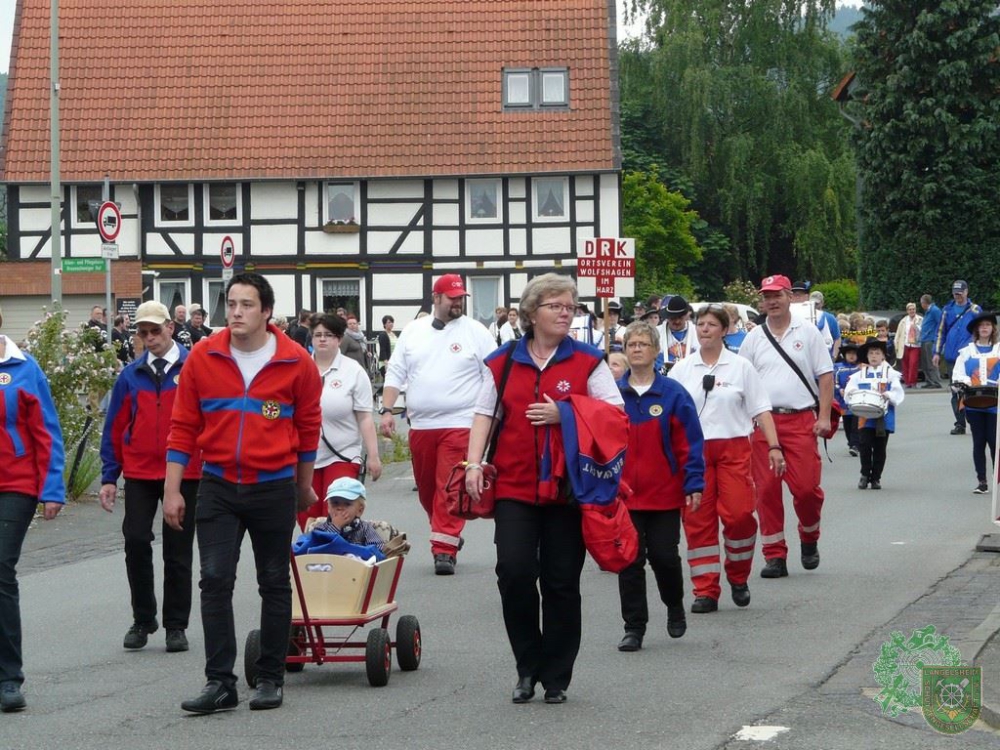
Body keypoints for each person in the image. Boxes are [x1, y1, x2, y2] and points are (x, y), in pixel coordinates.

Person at [164, 272, 322, 714]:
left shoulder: (296, 362)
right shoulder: (202, 356)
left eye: (246, 304)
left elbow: (309, 430)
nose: (235, 312)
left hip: (273, 486)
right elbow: (182, 428)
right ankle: (220, 683)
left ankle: (270, 678)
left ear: (266, 312)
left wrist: (303, 486)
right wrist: (172, 489)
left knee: (273, 582)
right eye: (231, 303)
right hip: (217, 484)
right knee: (214, 580)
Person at [464, 273, 623, 704]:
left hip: (569, 491)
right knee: (513, 574)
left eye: (570, 306)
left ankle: (556, 676)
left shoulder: (589, 361)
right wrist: (473, 462)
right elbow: (485, 414)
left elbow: (616, 415)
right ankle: (526, 667)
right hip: (515, 486)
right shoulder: (503, 361)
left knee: (561, 582)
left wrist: (566, 414)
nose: (565, 312)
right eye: (555, 305)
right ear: (532, 313)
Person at [99, 301, 201, 653]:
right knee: (136, 540)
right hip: (141, 470)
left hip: (186, 470)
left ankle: (176, 625)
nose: (149, 338)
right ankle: (144, 618)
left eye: (155, 330)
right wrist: (109, 477)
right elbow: (114, 428)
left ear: (170, 328)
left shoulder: (192, 368)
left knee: (177, 550)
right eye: (142, 332)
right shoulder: (131, 375)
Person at [380, 274, 496, 575]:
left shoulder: (476, 332)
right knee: (428, 489)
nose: (457, 302)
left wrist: (487, 414)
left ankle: (443, 550)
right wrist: (387, 410)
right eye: (452, 298)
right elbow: (396, 372)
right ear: (436, 298)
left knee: (449, 485)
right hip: (421, 425)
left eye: (461, 298)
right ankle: (445, 533)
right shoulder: (414, 332)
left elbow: (491, 376)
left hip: (461, 422)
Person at [669, 305, 780, 614]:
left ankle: (738, 575)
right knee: (697, 521)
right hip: (694, 454)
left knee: (740, 515)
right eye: (700, 324)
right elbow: (671, 418)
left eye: (710, 324)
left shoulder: (741, 367)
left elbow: (761, 409)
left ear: (724, 329)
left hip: (734, 450)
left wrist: (774, 446)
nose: (704, 329)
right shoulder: (681, 369)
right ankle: (705, 590)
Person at [738, 275, 833, 579]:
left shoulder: (808, 332)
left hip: (801, 418)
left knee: (806, 489)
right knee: (765, 490)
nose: (771, 301)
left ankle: (809, 537)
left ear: (790, 297)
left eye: (777, 295)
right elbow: (743, 381)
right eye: (766, 296)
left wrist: (824, 416)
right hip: (764, 423)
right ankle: (774, 554)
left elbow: (826, 375)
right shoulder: (753, 338)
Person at [617, 320, 704, 648]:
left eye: (642, 344)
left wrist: (694, 482)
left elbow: (690, 442)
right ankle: (634, 626)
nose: (636, 349)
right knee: (630, 560)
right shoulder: (613, 394)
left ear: (655, 351)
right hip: (624, 496)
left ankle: (674, 606)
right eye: (630, 344)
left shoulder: (673, 394)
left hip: (665, 493)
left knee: (665, 557)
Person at [0, 305, 65, 713]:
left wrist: (53, 488)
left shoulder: (23, 368)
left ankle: (9, 677)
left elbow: (47, 429)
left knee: (0, 568)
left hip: (16, 483)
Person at [297, 313, 381, 529]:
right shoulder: (299, 368)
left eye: (329, 335)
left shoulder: (353, 372)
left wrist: (373, 456)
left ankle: (340, 560)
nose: (322, 339)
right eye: (317, 335)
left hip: (343, 454)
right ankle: (310, 561)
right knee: (307, 518)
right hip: (306, 456)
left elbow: (364, 418)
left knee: (337, 514)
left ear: (339, 339)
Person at [845, 338, 905, 490]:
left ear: (883, 356)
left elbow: (898, 392)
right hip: (864, 416)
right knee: (864, 446)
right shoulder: (860, 374)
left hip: (883, 417)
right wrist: (852, 392)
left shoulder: (890, 373)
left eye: (877, 353)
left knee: (880, 448)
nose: (873, 356)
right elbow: (849, 390)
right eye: (871, 353)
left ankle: (876, 477)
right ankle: (865, 474)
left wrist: (889, 395)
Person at [952, 311, 1000, 494]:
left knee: (995, 443)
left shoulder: (999, 350)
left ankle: (997, 480)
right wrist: (967, 384)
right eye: (981, 325)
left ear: (992, 328)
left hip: (995, 404)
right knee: (979, 442)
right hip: (974, 403)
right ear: (976, 330)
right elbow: (958, 374)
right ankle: (982, 481)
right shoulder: (966, 352)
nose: (985, 328)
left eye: (988, 325)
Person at [292, 477, 387, 560]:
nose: (340, 508)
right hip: (325, 573)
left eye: (347, 504)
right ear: (328, 508)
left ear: (359, 510)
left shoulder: (365, 528)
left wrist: (357, 552)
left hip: (356, 574)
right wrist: (335, 527)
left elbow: (379, 550)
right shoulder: (321, 528)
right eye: (335, 503)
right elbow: (316, 549)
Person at [935, 280, 982, 434]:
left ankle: (973, 420)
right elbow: (941, 332)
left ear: (967, 292)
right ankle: (960, 424)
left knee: (971, 389)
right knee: (956, 391)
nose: (958, 296)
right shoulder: (947, 310)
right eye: (955, 293)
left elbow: (983, 330)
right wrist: (936, 352)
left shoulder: (975, 310)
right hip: (951, 357)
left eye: (960, 293)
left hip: (970, 357)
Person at [834, 341, 862, 456]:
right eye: (849, 353)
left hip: (857, 400)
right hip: (844, 401)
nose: (851, 355)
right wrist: (839, 389)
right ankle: (851, 443)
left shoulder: (861, 368)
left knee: (856, 424)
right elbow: (834, 382)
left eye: (854, 353)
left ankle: (855, 445)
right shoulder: (838, 368)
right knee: (847, 424)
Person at [656, 295, 699, 370]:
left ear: (686, 316)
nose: (677, 321)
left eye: (680, 318)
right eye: (673, 318)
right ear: (667, 317)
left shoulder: (697, 332)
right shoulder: (656, 333)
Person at [894, 303, 922, 387]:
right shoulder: (903, 321)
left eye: (913, 309)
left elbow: (922, 331)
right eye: (910, 309)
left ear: (915, 310)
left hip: (915, 345)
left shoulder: (920, 319)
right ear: (907, 311)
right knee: (905, 364)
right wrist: (896, 344)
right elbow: (898, 334)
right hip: (905, 345)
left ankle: (912, 381)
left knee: (913, 363)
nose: (912, 311)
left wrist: (916, 327)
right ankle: (907, 382)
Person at [919, 294, 943, 388]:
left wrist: (936, 335)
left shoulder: (934, 310)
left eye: (921, 303)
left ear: (924, 303)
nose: (921, 305)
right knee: (925, 362)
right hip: (925, 339)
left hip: (930, 339)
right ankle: (929, 380)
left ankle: (935, 381)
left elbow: (940, 323)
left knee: (931, 361)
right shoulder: (928, 311)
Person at [810, 291, 842, 361]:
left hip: (827, 357)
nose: (814, 306)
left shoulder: (830, 318)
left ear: (822, 303)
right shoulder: (805, 317)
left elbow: (837, 338)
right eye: (812, 303)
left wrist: (834, 356)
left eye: (817, 304)